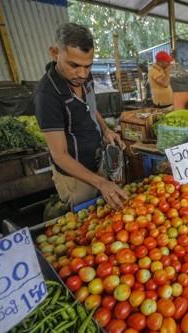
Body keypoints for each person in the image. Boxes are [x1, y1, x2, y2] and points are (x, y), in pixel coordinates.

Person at [34, 23, 128, 210]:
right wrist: (101, 183)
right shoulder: (47, 95)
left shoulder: (86, 77)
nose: (82, 73)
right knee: (85, 219)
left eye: (88, 66)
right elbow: (59, 155)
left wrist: (106, 130)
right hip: (75, 177)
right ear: (54, 53)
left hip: (97, 162)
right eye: (74, 65)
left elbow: (90, 107)